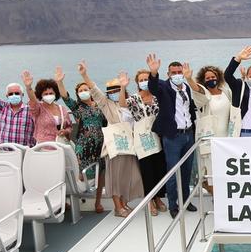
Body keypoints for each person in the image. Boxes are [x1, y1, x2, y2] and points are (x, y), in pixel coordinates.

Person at [79, 62, 145, 217]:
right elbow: (94, 90)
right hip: (114, 146)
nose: (114, 92)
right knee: (114, 176)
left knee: (128, 175)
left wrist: (123, 87)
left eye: (117, 89)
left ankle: (124, 203)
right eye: (111, 90)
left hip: (129, 145)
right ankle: (117, 207)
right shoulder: (105, 104)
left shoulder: (129, 103)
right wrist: (84, 75)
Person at [147, 53, 198, 218]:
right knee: (172, 172)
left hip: (189, 134)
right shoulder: (163, 87)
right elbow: (153, 88)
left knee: (186, 171)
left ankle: (185, 200)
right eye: (173, 72)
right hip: (173, 136)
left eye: (179, 72)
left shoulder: (187, 87)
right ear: (168, 74)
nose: (177, 75)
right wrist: (154, 73)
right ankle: (173, 205)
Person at [56, 66, 106, 214]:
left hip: (100, 144)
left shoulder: (100, 105)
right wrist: (60, 82)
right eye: (80, 91)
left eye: (86, 89)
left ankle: (97, 202)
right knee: (82, 174)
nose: (84, 92)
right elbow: (65, 97)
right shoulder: (77, 107)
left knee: (101, 173)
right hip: (84, 146)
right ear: (78, 94)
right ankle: (78, 200)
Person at [122, 69, 168, 216]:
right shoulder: (134, 98)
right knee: (147, 172)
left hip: (157, 137)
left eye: (146, 79)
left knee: (159, 170)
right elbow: (122, 104)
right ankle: (149, 201)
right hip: (142, 141)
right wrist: (123, 87)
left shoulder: (157, 97)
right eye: (141, 80)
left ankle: (158, 198)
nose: (144, 82)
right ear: (137, 83)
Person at [185, 63, 232, 194]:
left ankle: (219, 196)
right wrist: (189, 79)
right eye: (207, 78)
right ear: (203, 81)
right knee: (211, 172)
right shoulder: (204, 94)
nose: (211, 79)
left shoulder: (226, 92)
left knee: (223, 171)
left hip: (226, 139)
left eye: (213, 76)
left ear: (218, 78)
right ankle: (216, 198)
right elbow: (197, 89)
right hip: (209, 139)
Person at [0, 63, 36, 147]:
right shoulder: (2, 108)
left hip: (25, 153)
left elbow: (34, 101)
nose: (14, 95)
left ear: (22, 95)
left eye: (17, 93)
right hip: (4, 152)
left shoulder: (30, 110)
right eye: (11, 94)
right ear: (7, 96)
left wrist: (28, 87)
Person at [21, 71, 74, 145]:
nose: (48, 95)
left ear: (56, 94)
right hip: (44, 148)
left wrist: (65, 132)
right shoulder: (38, 108)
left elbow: (69, 126)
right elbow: (33, 101)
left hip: (61, 147)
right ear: (41, 95)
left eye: (51, 93)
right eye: (45, 94)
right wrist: (28, 87)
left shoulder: (62, 109)